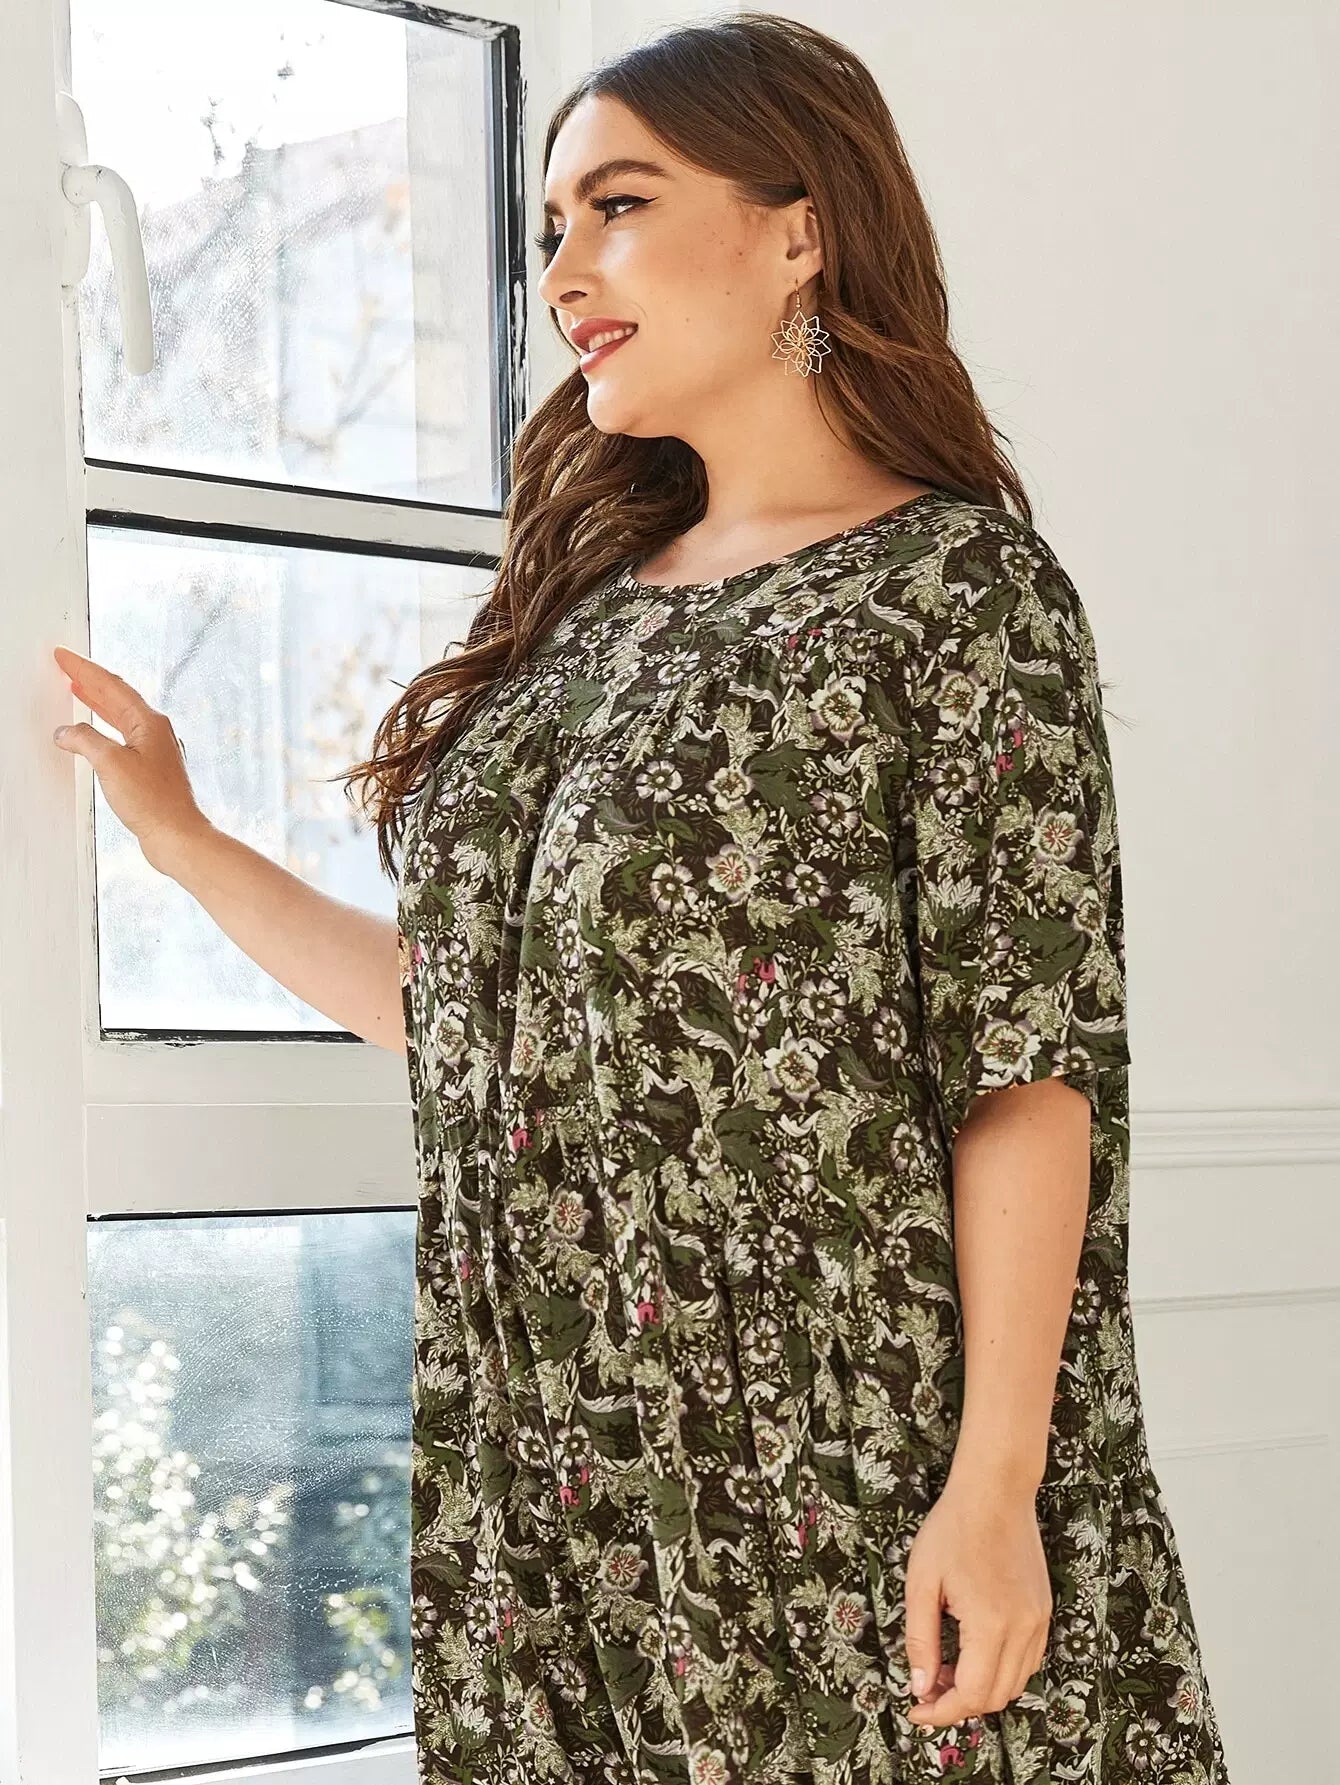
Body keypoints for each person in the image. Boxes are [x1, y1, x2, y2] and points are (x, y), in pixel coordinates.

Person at [52, 12, 1232, 1783]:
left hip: (842, 1443)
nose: (563, 273)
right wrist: (185, 840)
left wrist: (994, 1485)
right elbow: (471, 1017)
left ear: (796, 230)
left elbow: (1025, 1069)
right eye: (550, 229)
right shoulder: (585, 617)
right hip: (556, 1461)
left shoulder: (958, 592)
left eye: (617, 206)